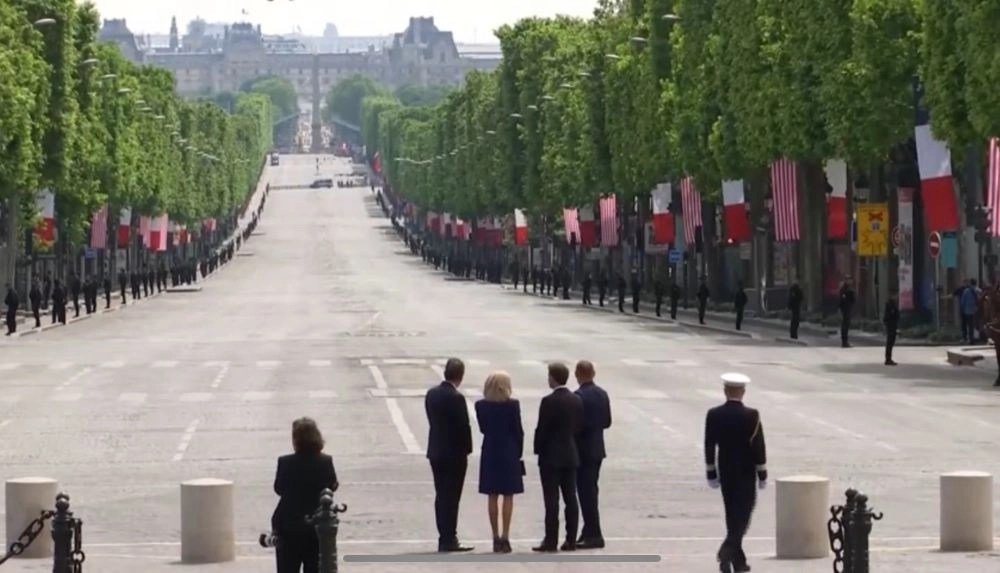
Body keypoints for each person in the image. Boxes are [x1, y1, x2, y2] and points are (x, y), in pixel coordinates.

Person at [704, 373, 767, 573]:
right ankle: (727, 551)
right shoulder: (751, 415)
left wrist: (711, 471)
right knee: (744, 514)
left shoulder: (714, 414)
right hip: (746, 471)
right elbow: (758, 446)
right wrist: (762, 473)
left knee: (732, 514)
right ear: (743, 392)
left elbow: (709, 444)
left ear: (725, 391)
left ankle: (737, 562)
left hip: (725, 469)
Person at [271, 417, 338, 573]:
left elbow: (279, 488)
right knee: (314, 566)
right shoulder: (325, 461)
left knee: (287, 567)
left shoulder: (285, 462)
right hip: (316, 524)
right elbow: (332, 485)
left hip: (288, 523)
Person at [533, 362, 584, 552]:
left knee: (551, 500)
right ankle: (571, 539)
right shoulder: (576, 399)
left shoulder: (548, 401)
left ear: (553, 378)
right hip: (570, 454)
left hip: (550, 456)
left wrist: (537, 449)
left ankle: (551, 539)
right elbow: (579, 426)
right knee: (571, 498)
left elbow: (542, 429)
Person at [425, 358, 474, 552]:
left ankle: (443, 535)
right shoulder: (457, 398)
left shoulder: (431, 394)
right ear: (460, 376)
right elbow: (464, 427)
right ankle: (449, 537)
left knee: (441, 495)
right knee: (452, 497)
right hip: (454, 453)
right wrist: (468, 449)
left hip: (436, 450)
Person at [475, 371, 525, 553]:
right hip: (509, 450)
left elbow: (482, 428)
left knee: (492, 494)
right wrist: (518, 452)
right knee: (508, 495)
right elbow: (518, 430)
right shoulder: (512, 405)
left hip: (490, 449)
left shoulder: (481, 405)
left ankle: (495, 535)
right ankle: (505, 535)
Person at [573, 361, 611, 549]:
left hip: (582, 450)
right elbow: (607, 422)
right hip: (597, 449)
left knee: (586, 493)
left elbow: (575, 426)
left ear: (577, 374)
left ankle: (594, 534)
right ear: (593, 373)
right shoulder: (602, 394)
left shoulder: (578, 396)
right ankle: (588, 530)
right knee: (591, 490)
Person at [839, 278, 856, 347]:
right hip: (846, 309)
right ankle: (844, 342)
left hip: (847, 308)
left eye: (851, 280)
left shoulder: (846, 289)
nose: (850, 281)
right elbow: (844, 300)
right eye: (848, 280)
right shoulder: (845, 290)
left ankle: (845, 341)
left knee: (846, 325)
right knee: (845, 325)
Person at [884, 294, 899, 366]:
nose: (897, 297)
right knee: (890, 343)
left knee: (890, 343)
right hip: (891, 325)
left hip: (892, 325)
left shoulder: (892, 304)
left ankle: (888, 358)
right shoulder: (890, 305)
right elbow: (891, 315)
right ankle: (888, 359)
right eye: (895, 295)